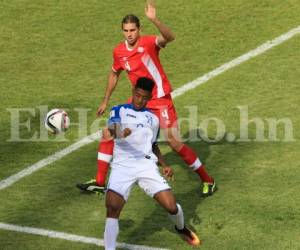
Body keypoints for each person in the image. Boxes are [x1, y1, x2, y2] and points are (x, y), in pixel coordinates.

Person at [77, 0, 216, 196]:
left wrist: (155, 19)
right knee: (109, 132)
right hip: (139, 103)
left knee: (174, 143)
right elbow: (114, 73)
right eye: (126, 31)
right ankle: (100, 181)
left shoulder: (149, 42)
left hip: (160, 99)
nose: (129, 34)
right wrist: (105, 100)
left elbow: (170, 37)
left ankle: (208, 180)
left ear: (139, 29)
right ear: (122, 31)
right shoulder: (119, 52)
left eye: (132, 30)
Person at [103, 77, 200, 249]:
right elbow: (111, 129)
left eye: (144, 98)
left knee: (171, 207)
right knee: (112, 208)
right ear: (133, 92)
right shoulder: (119, 110)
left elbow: (153, 144)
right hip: (122, 166)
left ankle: (181, 228)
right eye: (138, 95)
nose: (140, 100)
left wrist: (164, 164)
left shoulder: (153, 119)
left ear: (149, 98)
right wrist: (121, 132)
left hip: (146, 166)